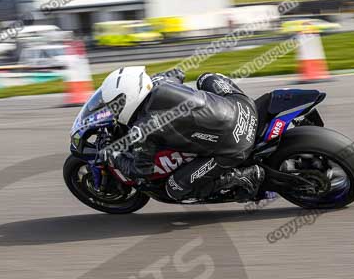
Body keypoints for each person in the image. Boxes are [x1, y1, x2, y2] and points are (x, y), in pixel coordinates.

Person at [97, 67, 264, 203]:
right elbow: (178, 73)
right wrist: (159, 78)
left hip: (234, 146)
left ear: (129, 98)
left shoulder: (143, 129)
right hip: (242, 106)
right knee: (205, 77)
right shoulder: (160, 81)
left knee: (174, 189)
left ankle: (242, 177)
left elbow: (141, 171)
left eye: (114, 105)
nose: (112, 109)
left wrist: (113, 155)